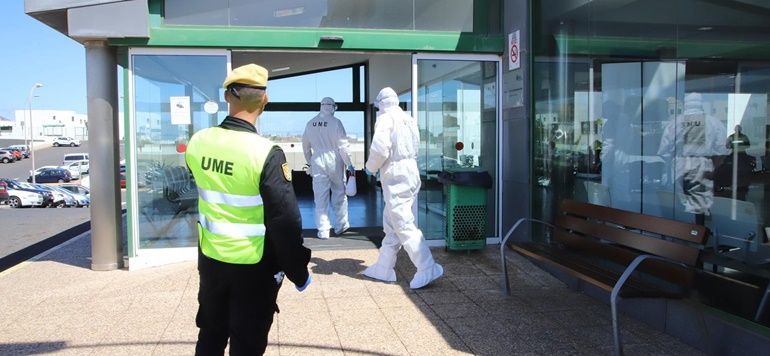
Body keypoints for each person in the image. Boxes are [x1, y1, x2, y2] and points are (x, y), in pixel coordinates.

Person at [185, 63, 312, 355]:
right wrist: (298, 271)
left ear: (228, 96)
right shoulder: (266, 153)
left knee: (210, 336)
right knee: (247, 345)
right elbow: (286, 222)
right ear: (264, 100)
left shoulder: (198, 143)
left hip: (212, 260)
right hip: (254, 268)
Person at [362, 87, 443, 289]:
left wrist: (370, 167)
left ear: (381, 103)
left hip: (396, 174)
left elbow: (380, 148)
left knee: (403, 223)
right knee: (392, 224)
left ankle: (427, 266)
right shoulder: (408, 118)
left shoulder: (385, 119)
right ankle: (383, 267)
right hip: (411, 170)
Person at [657, 92, 729, 223]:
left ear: (686, 104)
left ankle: (684, 235)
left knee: (680, 205)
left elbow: (664, 151)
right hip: (703, 165)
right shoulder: (713, 122)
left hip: (679, 166)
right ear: (700, 104)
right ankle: (699, 233)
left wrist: (674, 163)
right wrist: (713, 167)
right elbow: (722, 150)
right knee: (700, 207)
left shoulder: (675, 122)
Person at [302, 97, 355, 239]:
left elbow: (305, 147)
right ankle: (341, 225)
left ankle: (323, 230)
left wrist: (310, 162)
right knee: (339, 193)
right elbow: (343, 146)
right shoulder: (336, 123)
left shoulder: (310, 123)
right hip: (335, 160)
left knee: (320, 197)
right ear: (332, 107)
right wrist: (349, 164)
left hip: (317, 160)